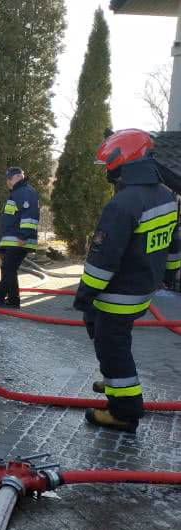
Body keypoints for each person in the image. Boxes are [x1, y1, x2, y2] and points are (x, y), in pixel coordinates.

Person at [74, 128, 180, 432]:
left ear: (123, 160)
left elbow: (102, 261)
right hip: (143, 289)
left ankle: (124, 410)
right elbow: (174, 244)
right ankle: (114, 379)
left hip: (118, 294)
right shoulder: (165, 196)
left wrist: (84, 296)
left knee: (113, 348)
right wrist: (168, 274)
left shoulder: (122, 204)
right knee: (109, 337)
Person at [0, 167, 40, 308]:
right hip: (12, 240)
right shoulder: (18, 192)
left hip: (19, 240)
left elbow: (30, 215)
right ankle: (13, 301)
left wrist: (24, 235)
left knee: (8, 269)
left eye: (8, 180)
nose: (7, 183)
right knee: (8, 269)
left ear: (14, 178)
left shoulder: (25, 192)